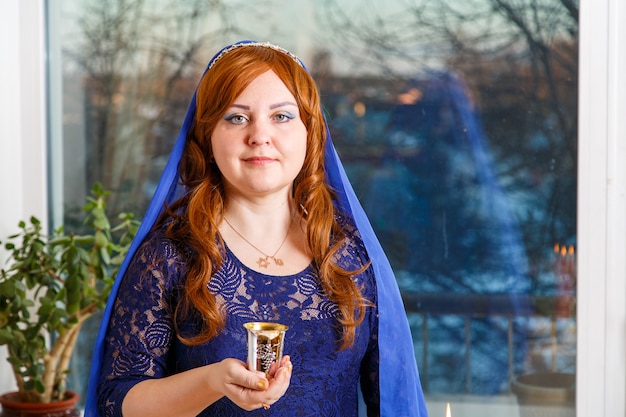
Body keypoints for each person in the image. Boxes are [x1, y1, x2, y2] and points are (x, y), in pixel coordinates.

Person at [84, 40, 428, 417]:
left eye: (281, 116)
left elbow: (393, 399)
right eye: (236, 117)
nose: (259, 135)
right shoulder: (169, 255)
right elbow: (117, 400)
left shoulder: (349, 255)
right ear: (207, 137)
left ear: (310, 133)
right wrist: (210, 383)